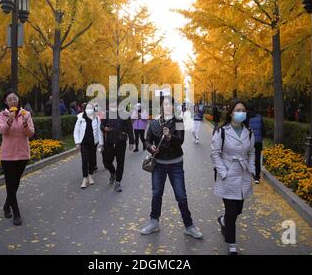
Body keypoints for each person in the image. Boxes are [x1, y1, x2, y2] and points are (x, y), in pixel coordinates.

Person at [140, 96, 203, 239]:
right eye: (165, 104)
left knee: (181, 196)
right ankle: (154, 222)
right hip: (159, 165)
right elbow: (147, 140)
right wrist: (151, 148)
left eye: (170, 104)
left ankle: (189, 225)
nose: (168, 106)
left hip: (175, 164)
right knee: (156, 194)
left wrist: (169, 136)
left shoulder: (179, 121)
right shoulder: (154, 123)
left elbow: (180, 141)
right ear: (161, 106)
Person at [210, 100, 255, 255]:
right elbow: (215, 154)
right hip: (228, 175)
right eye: (237, 110)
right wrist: (223, 172)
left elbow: (251, 152)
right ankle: (232, 244)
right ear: (230, 113)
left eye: (243, 110)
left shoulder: (249, 131)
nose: (241, 112)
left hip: (243, 174)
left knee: (238, 210)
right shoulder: (221, 131)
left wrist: (252, 168)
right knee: (231, 210)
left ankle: (223, 221)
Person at [0, 89, 35, 226]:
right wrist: (9, 121)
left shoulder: (26, 114)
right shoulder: (2, 115)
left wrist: (25, 123)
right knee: (10, 184)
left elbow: (30, 133)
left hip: (23, 154)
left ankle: (7, 205)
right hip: (7, 155)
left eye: (15, 98)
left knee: (15, 183)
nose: (13, 101)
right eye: (10, 99)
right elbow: (2, 131)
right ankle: (16, 213)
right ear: (6, 102)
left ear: (18, 100)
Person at [100, 100, 135, 192]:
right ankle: (112, 172)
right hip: (109, 142)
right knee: (107, 161)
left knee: (120, 162)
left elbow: (130, 128)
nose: (113, 105)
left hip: (121, 141)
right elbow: (101, 126)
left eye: (114, 103)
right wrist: (105, 128)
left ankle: (118, 182)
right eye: (111, 103)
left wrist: (132, 142)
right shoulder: (106, 114)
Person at [74, 102, 104, 188]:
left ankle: (90, 175)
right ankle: (85, 178)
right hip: (84, 143)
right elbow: (76, 131)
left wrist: (101, 144)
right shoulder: (80, 118)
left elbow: (99, 132)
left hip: (93, 142)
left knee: (92, 160)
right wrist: (77, 142)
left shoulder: (97, 118)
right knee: (84, 160)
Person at [246, 106, 265, 184]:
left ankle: (250, 173)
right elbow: (263, 129)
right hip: (258, 141)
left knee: (248, 157)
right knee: (257, 158)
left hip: (249, 141)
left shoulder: (247, 118)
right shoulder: (260, 117)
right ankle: (257, 177)